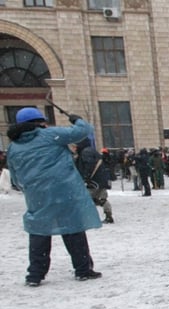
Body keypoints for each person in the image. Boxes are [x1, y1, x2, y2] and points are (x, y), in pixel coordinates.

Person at [6, 107, 102, 286]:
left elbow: (15, 176)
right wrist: (77, 119)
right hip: (63, 189)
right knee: (73, 228)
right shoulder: (50, 135)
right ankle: (83, 269)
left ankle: (35, 274)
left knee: (39, 231)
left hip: (36, 194)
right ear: (40, 122)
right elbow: (84, 131)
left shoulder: (13, 147)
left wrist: (28, 188)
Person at [75, 138, 114, 224]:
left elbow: (89, 165)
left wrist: (86, 176)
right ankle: (108, 215)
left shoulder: (86, 152)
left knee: (87, 198)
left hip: (94, 180)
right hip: (101, 178)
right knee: (102, 198)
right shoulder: (91, 151)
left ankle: (87, 218)